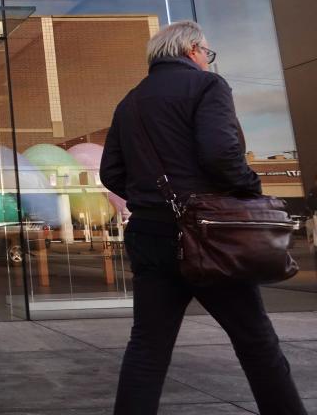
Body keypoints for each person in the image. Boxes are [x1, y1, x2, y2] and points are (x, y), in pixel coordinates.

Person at [100, 21, 304, 415]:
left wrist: (153, 200)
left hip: (150, 235)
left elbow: (111, 173)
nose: (208, 60)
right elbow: (220, 154)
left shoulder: (130, 102)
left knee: (147, 348)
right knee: (256, 342)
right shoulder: (208, 86)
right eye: (207, 53)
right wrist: (251, 189)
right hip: (210, 236)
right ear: (192, 49)